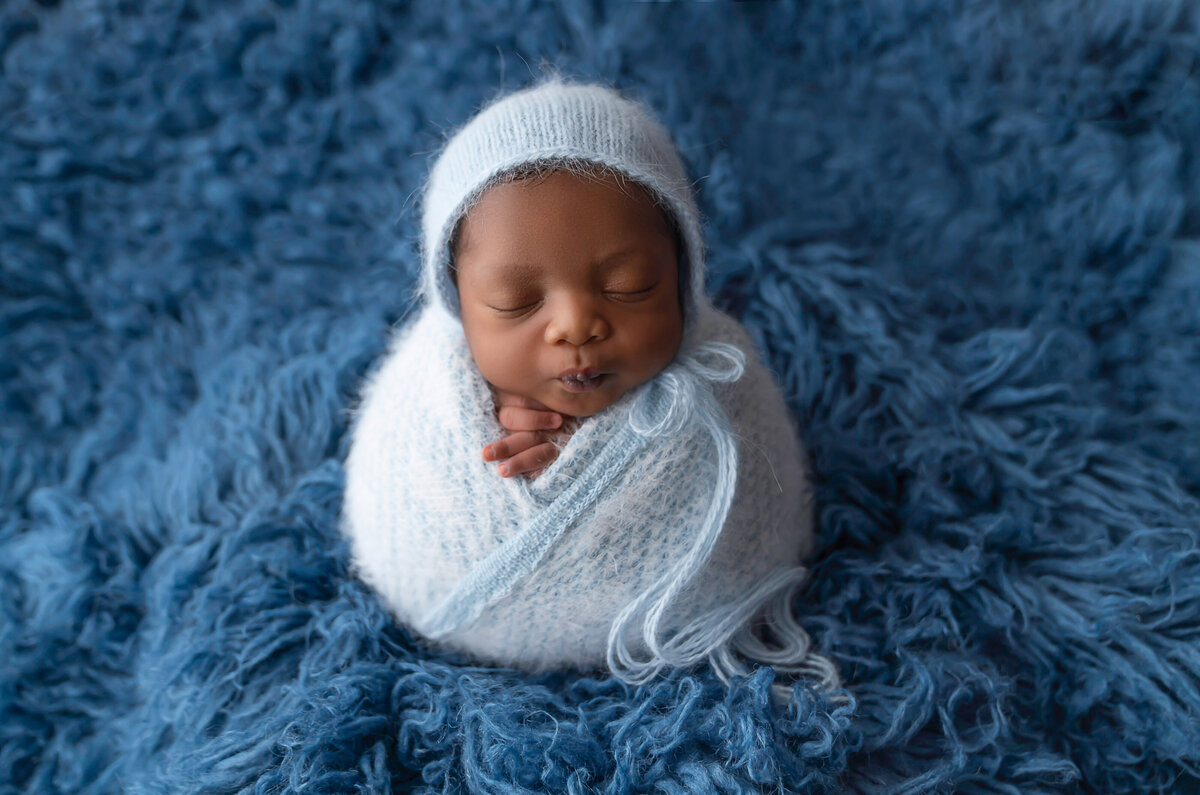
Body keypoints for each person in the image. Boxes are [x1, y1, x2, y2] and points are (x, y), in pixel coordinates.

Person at [342, 76, 840, 699]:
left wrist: (606, 448)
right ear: (456, 308)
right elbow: (406, 513)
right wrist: (487, 447)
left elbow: (753, 502)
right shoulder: (428, 398)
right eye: (515, 301)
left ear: (684, 276)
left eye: (630, 286)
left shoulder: (725, 376)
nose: (576, 324)